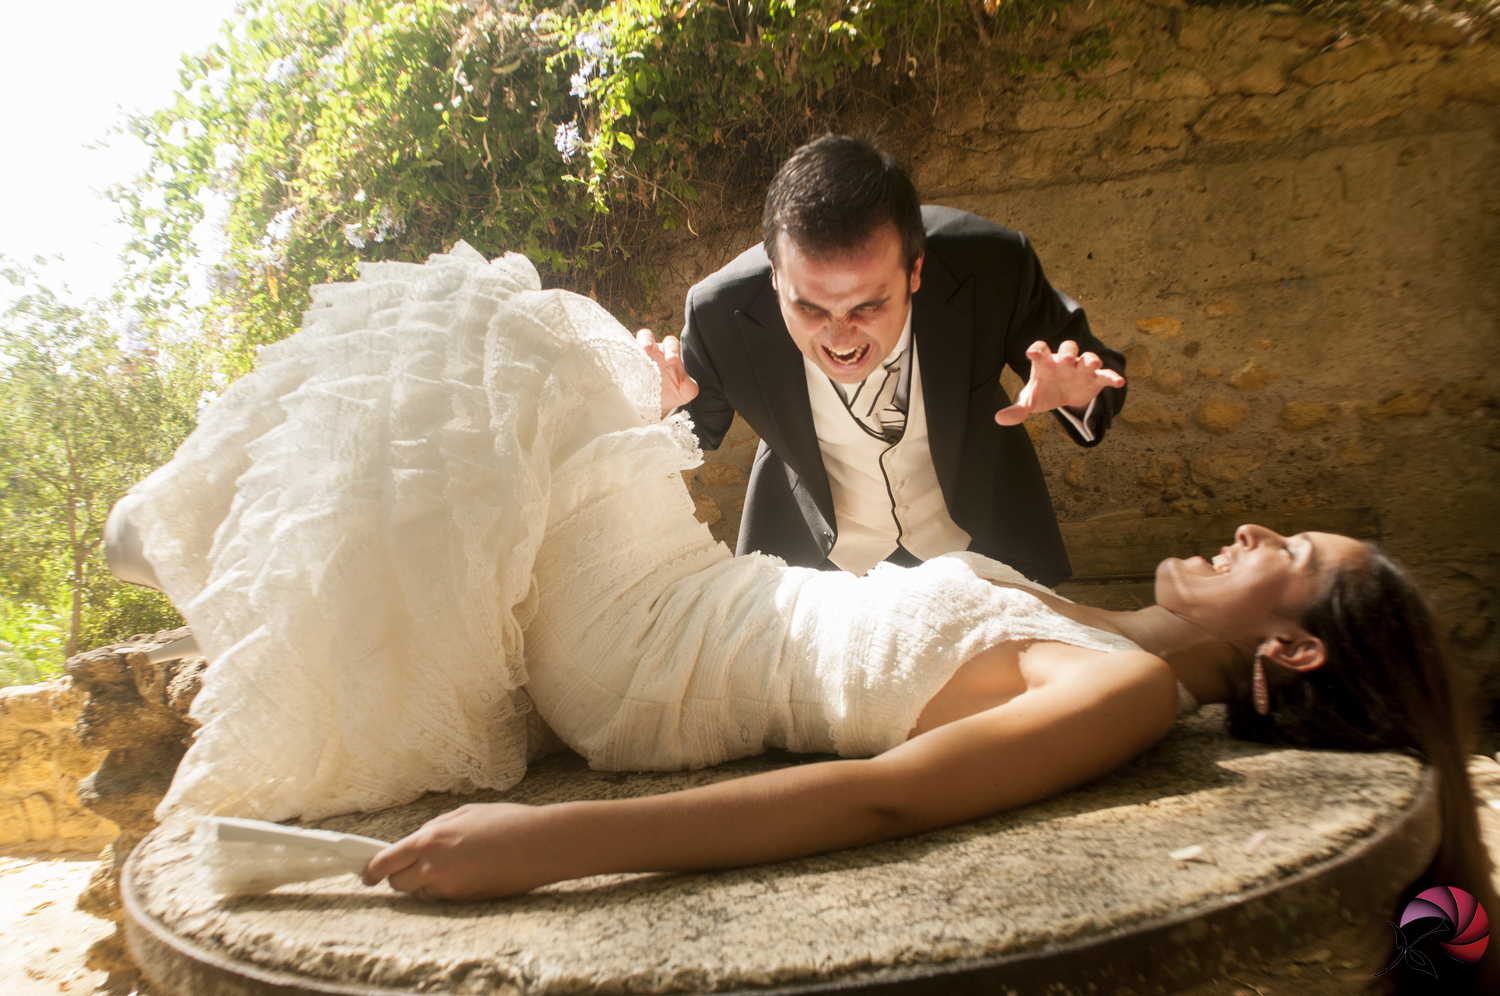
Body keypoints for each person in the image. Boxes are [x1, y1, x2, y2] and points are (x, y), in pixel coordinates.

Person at [117, 245, 1492, 982]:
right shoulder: (1103, 635)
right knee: (568, 366)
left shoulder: (1126, 697)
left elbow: (882, 803)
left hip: (649, 660)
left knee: (504, 327)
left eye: (1290, 548)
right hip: (699, 596)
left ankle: (184, 540)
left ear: (1290, 646)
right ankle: (204, 543)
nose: (1254, 526)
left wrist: (548, 847)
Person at [644, 135, 1126, 584]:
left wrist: (1081, 395)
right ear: (774, 275)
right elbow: (692, 430)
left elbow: (1092, 367)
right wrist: (655, 409)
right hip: (818, 568)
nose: (839, 336)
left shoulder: (991, 262)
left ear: (915, 269)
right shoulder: (720, 313)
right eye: (809, 307)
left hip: (982, 548)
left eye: (867, 306)